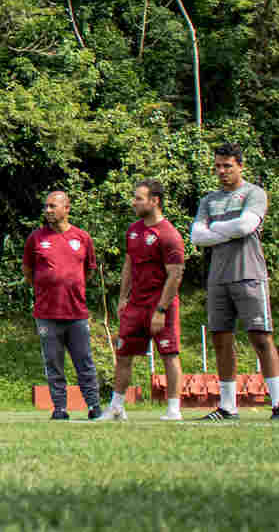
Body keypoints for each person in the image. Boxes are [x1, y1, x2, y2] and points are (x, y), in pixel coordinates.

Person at [190, 143, 279, 421]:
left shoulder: (253, 193)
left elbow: (247, 226)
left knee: (261, 337)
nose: (221, 171)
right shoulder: (209, 200)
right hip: (218, 278)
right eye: (218, 166)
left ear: (240, 166)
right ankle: (228, 406)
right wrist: (228, 230)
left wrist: (216, 229)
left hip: (249, 273)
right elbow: (197, 237)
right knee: (221, 338)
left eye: (227, 166)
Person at [97, 179, 185, 422]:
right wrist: (123, 297)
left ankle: (173, 409)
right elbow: (129, 264)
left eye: (138, 198)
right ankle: (116, 407)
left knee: (169, 355)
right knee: (124, 354)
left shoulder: (169, 235)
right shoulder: (133, 230)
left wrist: (161, 310)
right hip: (135, 304)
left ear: (154, 201)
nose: (133, 202)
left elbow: (175, 275)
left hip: (160, 304)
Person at [23, 191, 100, 421]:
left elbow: (89, 270)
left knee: (84, 361)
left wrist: (71, 285)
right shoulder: (35, 238)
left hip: (76, 312)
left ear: (66, 208)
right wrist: (45, 288)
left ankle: (94, 407)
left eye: (52, 206)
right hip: (46, 313)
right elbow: (28, 272)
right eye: (45, 206)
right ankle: (59, 408)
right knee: (53, 362)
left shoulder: (82, 237)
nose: (47, 210)